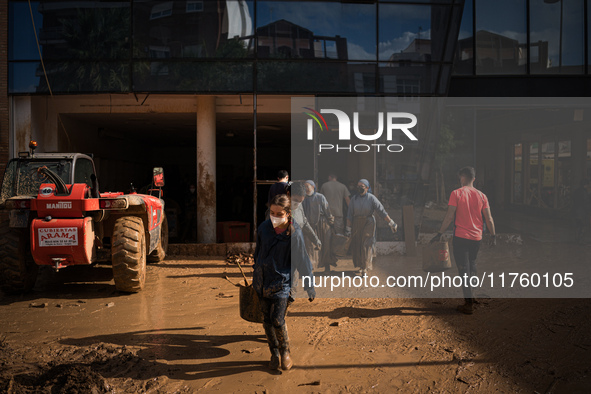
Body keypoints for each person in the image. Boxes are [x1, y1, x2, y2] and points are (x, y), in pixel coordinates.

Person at [252, 194, 315, 371]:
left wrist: (309, 285)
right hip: (262, 281)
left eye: (279, 214)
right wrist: (255, 269)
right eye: (272, 213)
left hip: (283, 283)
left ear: (288, 214)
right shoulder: (264, 228)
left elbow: (303, 261)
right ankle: (274, 353)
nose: (274, 217)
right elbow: (258, 252)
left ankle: (285, 351)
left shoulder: (294, 234)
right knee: (266, 320)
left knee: (277, 319)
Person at [431, 166, 496, 315]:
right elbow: (489, 218)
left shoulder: (456, 193)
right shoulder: (482, 196)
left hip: (461, 238)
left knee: (463, 270)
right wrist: (493, 236)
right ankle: (471, 296)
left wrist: (440, 233)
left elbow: (449, 216)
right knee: (472, 266)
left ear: (462, 177)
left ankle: (468, 304)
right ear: (474, 179)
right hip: (476, 238)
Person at [346, 179, 398, 275]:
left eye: (362, 186)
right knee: (357, 244)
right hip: (357, 222)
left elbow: (381, 211)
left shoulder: (371, 198)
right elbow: (349, 214)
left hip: (368, 222)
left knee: (366, 244)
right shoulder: (354, 199)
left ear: (367, 188)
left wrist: (391, 222)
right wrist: (348, 229)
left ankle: (365, 267)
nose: (359, 188)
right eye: (358, 186)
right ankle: (360, 265)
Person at [302, 180, 336, 272]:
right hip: (309, 225)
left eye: (307, 186)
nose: (306, 189)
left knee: (326, 244)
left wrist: (331, 223)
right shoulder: (303, 199)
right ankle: (311, 268)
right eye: (304, 187)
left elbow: (327, 210)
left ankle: (327, 266)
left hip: (322, 223)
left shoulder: (320, 197)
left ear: (313, 187)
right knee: (310, 247)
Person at [573, 179, 591, 244]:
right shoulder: (584, 192)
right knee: (583, 225)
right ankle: (580, 240)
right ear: (585, 185)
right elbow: (586, 202)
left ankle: (577, 239)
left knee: (578, 225)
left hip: (576, 210)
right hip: (582, 211)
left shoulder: (576, 191)